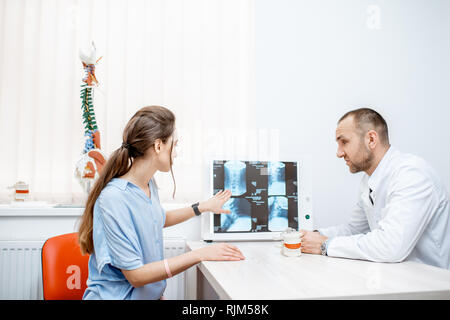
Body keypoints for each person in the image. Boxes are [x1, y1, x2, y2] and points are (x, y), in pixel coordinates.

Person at [78, 105, 245, 300]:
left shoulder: (148, 184)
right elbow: (136, 276)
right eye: (175, 144)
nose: (176, 153)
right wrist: (201, 254)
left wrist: (203, 207)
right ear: (158, 146)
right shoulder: (114, 198)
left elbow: (156, 218)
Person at [300, 108, 450, 269]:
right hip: (398, 277)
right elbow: (354, 229)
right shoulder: (369, 180)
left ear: (371, 139)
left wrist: (325, 245)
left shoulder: (412, 174)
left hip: (431, 284)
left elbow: (391, 247)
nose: (339, 153)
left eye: (344, 142)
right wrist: (311, 236)